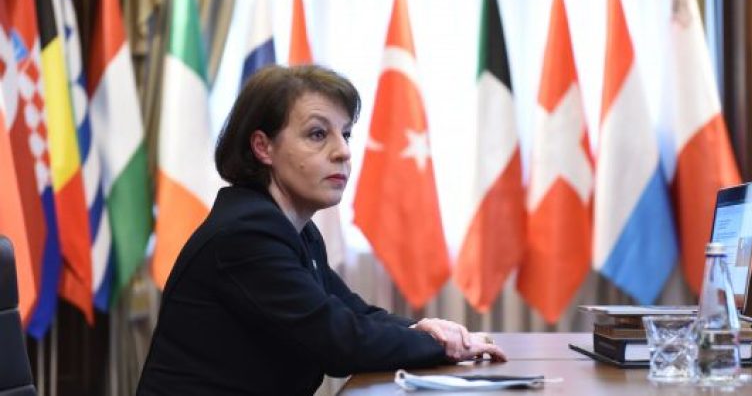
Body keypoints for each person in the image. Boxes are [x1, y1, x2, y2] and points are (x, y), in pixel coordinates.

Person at [136, 65, 506, 396]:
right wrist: (442, 346)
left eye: (346, 134)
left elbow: (354, 313)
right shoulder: (246, 234)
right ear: (263, 147)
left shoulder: (296, 230)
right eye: (317, 134)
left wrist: (429, 329)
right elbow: (339, 342)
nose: (343, 151)